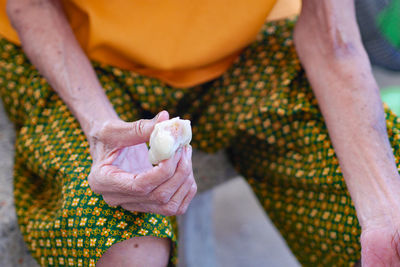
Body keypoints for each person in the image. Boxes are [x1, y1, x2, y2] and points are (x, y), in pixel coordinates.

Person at [0, 0, 399, 266]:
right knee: (123, 249)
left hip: (247, 49)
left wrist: (382, 209)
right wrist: (99, 128)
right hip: (77, 54)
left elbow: (333, 38)